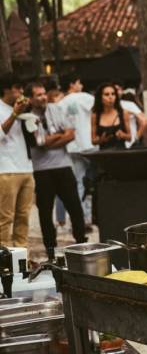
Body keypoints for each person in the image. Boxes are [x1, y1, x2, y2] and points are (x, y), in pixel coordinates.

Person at [26, 81, 87, 259]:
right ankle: (51, 250)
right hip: (42, 170)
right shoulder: (27, 116)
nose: (43, 97)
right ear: (30, 98)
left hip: (63, 166)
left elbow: (70, 134)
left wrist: (49, 141)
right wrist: (55, 138)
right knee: (45, 212)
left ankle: (81, 243)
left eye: (44, 93)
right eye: (38, 95)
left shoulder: (56, 109)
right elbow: (38, 143)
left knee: (75, 207)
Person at [0, 74, 34, 248]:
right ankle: (4, 258)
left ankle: (22, 257)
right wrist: (14, 114)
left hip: (26, 167)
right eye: (17, 88)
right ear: (6, 89)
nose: (21, 92)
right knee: (5, 217)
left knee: (23, 216)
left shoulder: (24, 109)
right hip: (6, 169)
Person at [58, 77, 96, 228]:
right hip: (88, 144)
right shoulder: (86, 97)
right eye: (79, 82)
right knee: (91, 182)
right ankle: (88, 216)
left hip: (72, 145)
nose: (81, 85)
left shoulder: (62, 103)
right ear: (72, 84)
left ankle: (81, 218)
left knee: (79, 181)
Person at [91, 82, 131, 151]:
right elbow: (93, 141)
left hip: (121, 153)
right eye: (106, 94)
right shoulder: (95, 115)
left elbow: (129, 137)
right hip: (104, 154)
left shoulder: (123, 113)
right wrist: (101, 140)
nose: (110, 97)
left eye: (113, 94)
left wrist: (122, 135)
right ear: (100, 97)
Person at [114, 82, 147, 147]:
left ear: (121, 91)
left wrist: (136, 139)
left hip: (129, 145)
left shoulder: (129, 105)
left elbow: (144, 121)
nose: (115, 93)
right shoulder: (104, 108)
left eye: (117, 89)